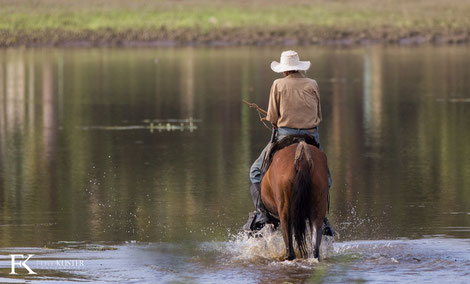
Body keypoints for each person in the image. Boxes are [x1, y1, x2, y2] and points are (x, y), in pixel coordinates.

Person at [244, 50, 334, 235]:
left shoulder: (277, 84)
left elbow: (273, 117)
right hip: (311, 136)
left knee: (254, 172)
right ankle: (321, 216)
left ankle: (262, 214)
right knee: (327, 177)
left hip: (284, 136)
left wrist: (275, 120)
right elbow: (318, 115)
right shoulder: (313, 83)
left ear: (284, 71)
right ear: (299, 68)